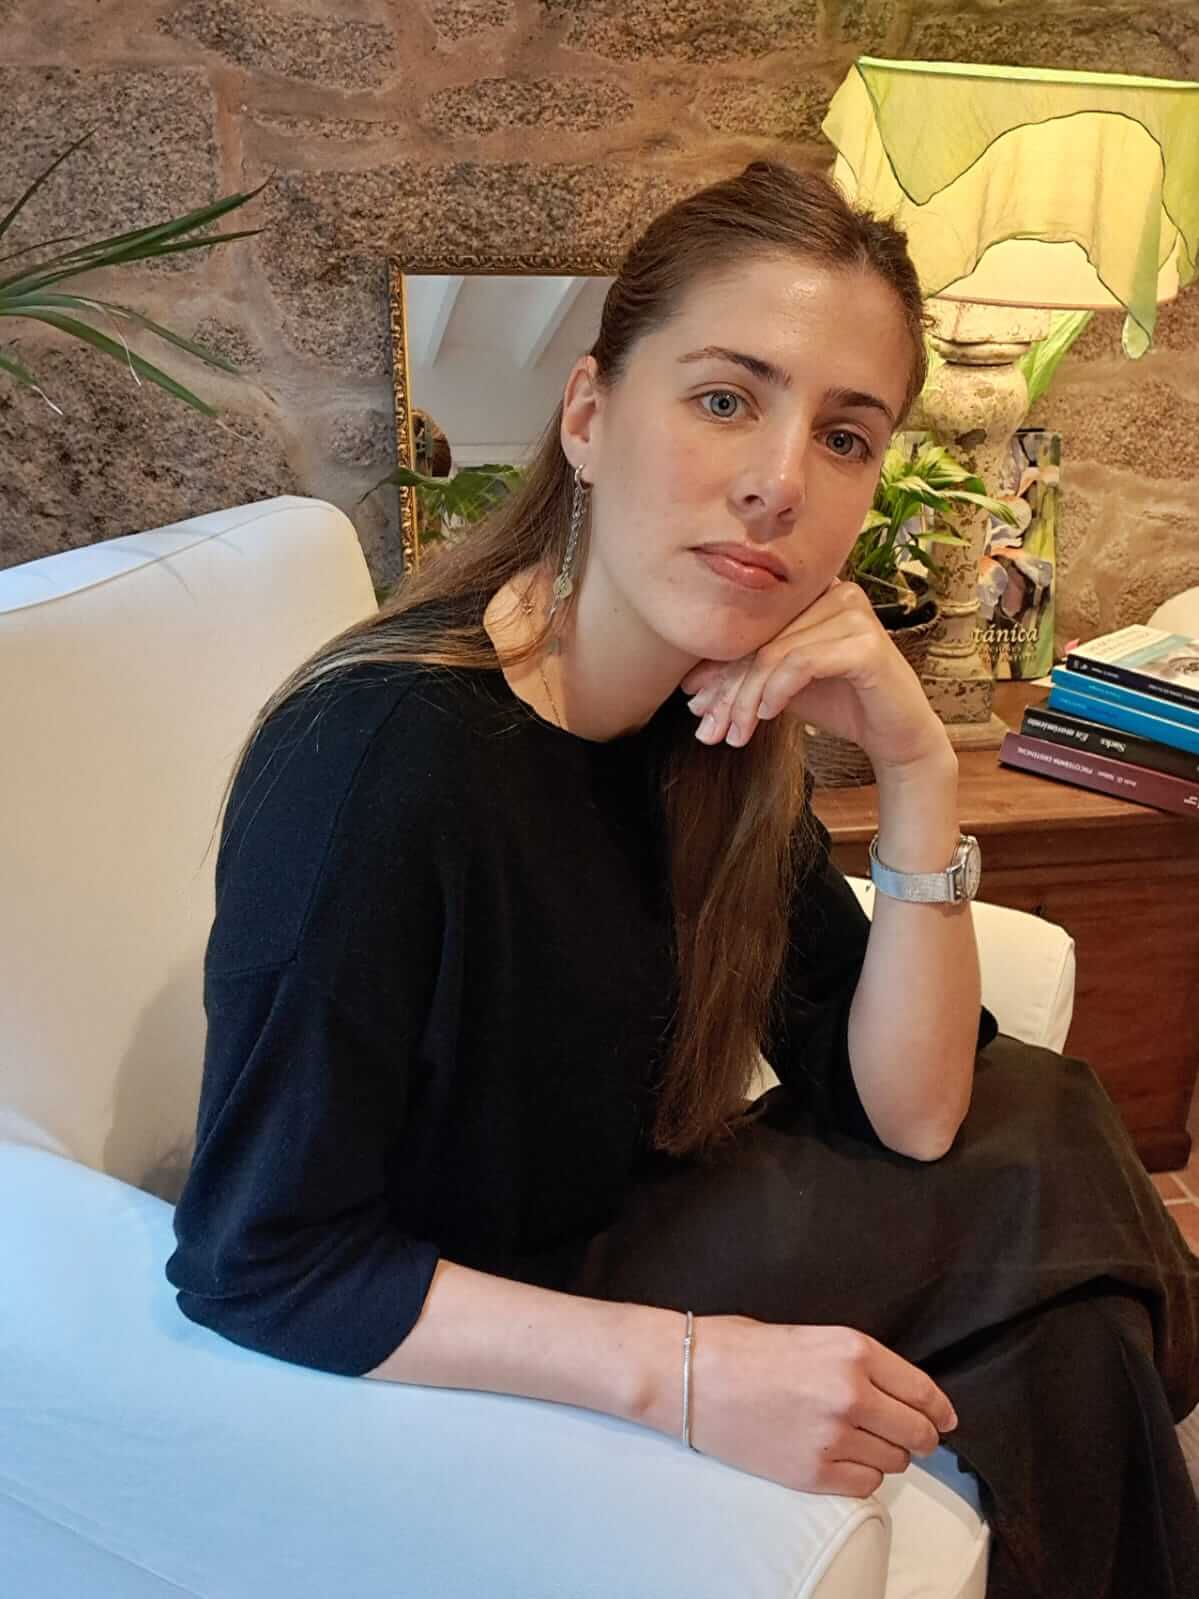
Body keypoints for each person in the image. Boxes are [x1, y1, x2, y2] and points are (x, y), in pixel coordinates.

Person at [166, 161, 1199, 1597]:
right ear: (589, 417)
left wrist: (914, 769)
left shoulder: (707, 729)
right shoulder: (380, 758)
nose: (780, 480)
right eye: (725, 399)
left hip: (622, 1225)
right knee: (1052, 1179)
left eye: (846, 436)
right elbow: (259, 1260)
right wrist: (696, 1373)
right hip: (468, 1329)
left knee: (1051, 1200)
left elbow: (919, 1113)